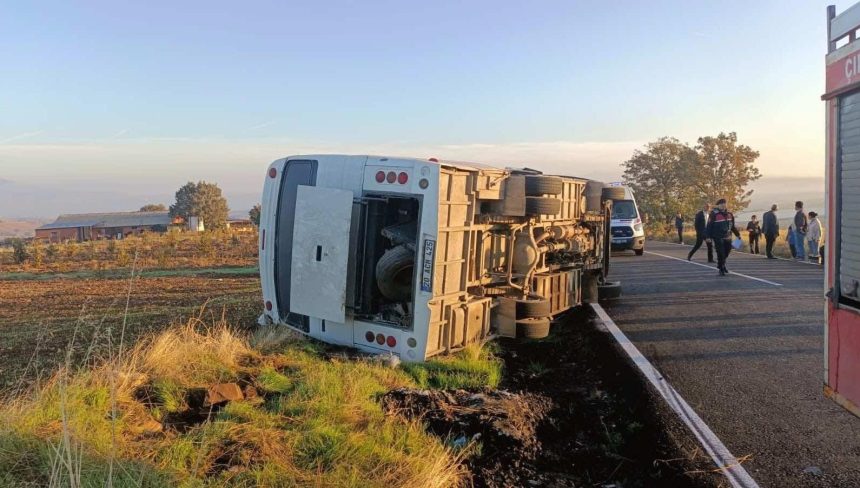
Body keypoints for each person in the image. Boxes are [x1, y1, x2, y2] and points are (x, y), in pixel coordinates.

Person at [706, 198, 741, 276]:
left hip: (728, 237)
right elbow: (709, 226)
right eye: (721, 204)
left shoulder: (730, 214)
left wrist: (738, 234)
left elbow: (732, 226)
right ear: (718, 205)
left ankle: (722, 264)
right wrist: (708, 237)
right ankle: (721, 268)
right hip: (718, 237)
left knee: (727, 252)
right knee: (720, 253)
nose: (723, 205)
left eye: (724, 204)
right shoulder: (713, 214)